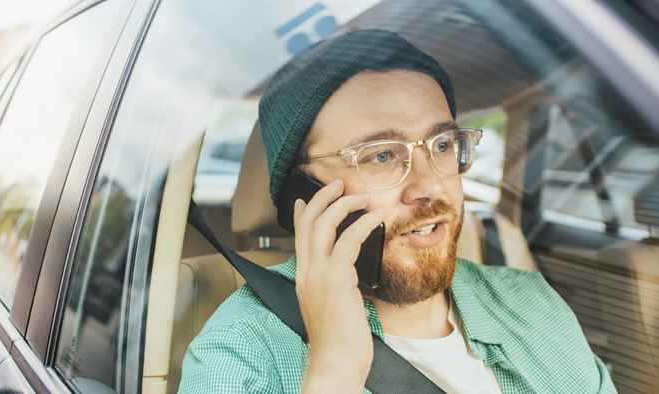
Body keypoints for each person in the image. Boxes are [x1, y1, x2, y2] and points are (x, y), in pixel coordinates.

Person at [178, 29, 616, 393]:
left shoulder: (533, 304)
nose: (430, 186)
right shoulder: (238, 351)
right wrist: (334, 371)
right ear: (303, 192)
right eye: (381, 156)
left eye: (443, 145)